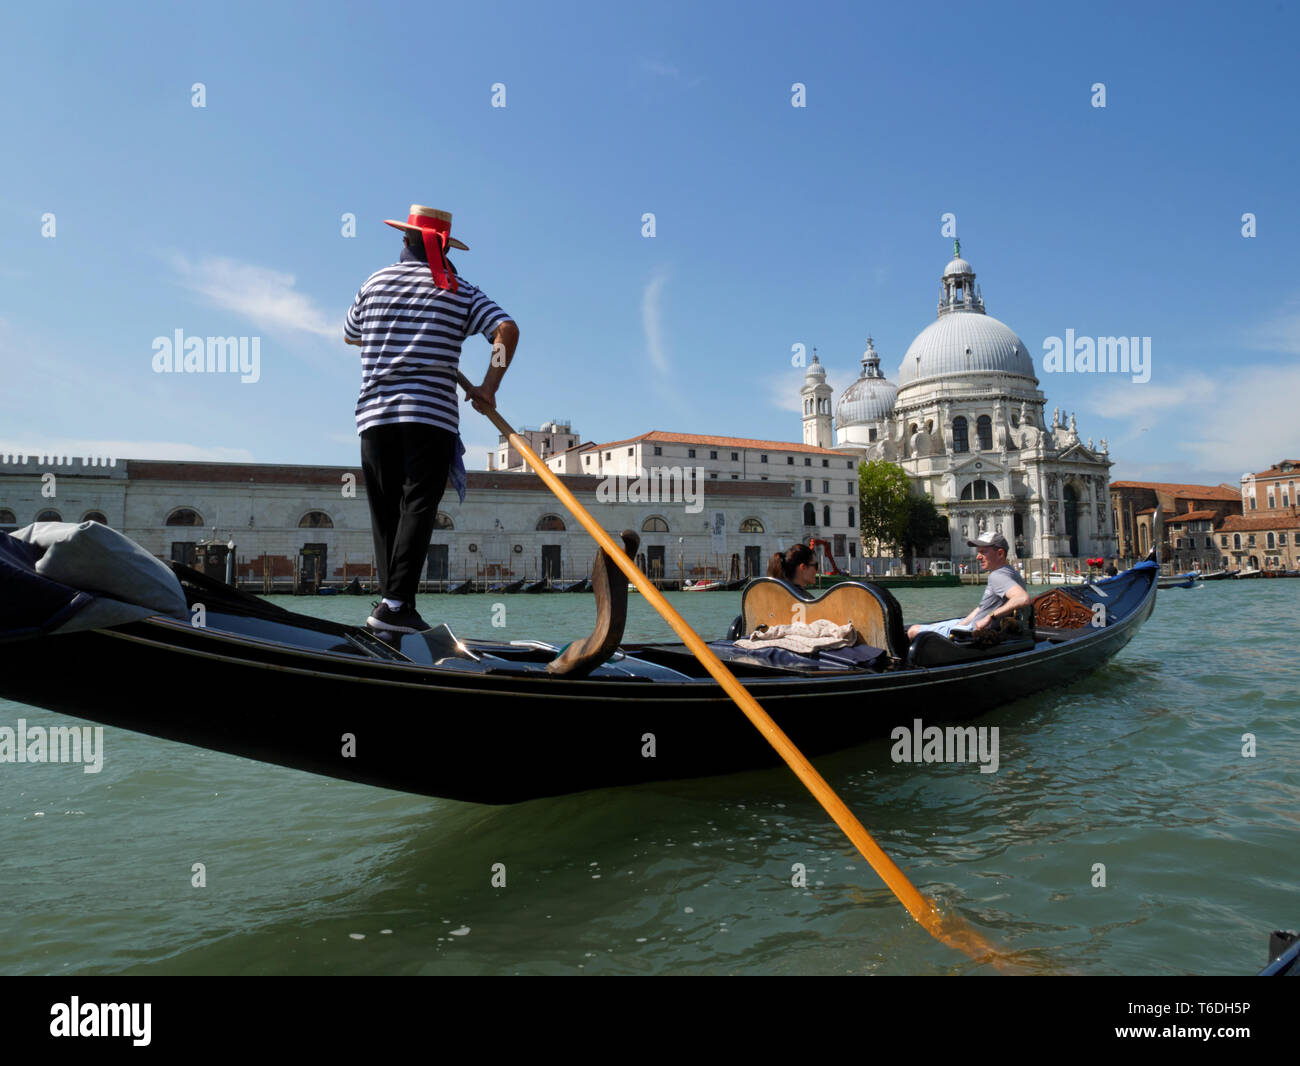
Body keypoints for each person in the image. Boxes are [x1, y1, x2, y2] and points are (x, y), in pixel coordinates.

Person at [344, 204, 518, 634]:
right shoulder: (459, 288)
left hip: (376, 415)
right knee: (417, 507)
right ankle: (396, 605)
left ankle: (392, 607)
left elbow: (351, 334)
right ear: (443, 247)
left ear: (405, 241)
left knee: (386, 513)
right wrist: (488, 385)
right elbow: (506, 330)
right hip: (430, 417)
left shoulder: (375, 281)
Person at [906, 531, 1029, 641]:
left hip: (972, 632)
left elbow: (1023, 598)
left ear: (1000, 553)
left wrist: (990, 617)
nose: (978, 557)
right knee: (926, 626)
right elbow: (982, 608)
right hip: (969, 627)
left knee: (912, 631)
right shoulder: (1011, 572)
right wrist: (963, 623)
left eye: (983, 552)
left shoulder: (997, 576)